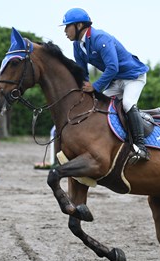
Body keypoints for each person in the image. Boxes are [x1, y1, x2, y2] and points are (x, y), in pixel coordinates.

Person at [61, 8, 150, 161]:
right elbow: (83, 72)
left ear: (79, 25)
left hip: (133, 76)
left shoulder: (100, 38)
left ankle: (141, 148)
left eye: (67, 26)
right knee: (96, 105)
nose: (65, 31)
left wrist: (95, 87)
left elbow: (112, 67)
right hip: (116, 80)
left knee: (128, 104)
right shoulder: (77, 46)